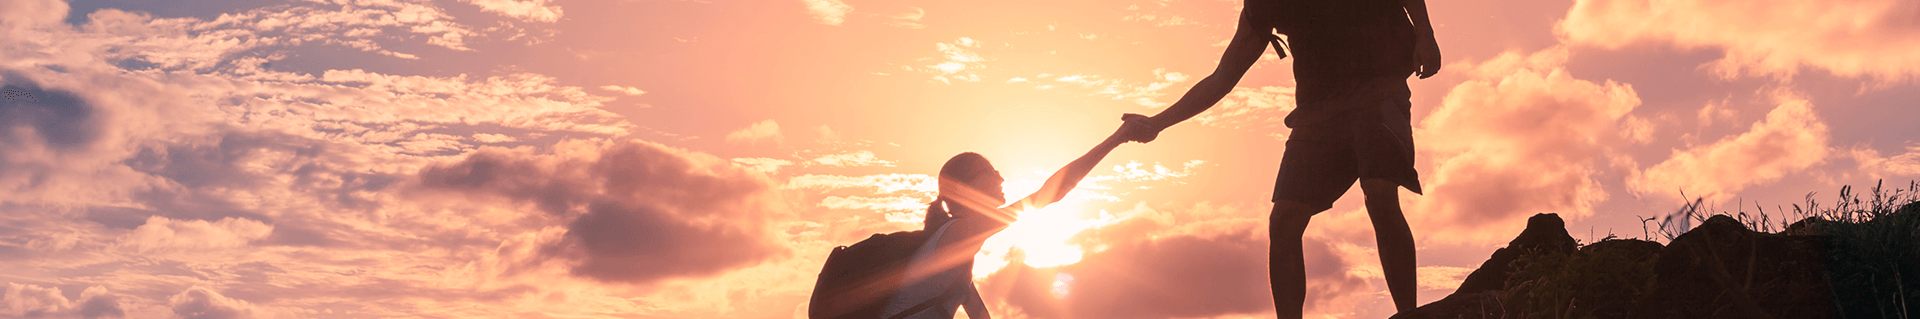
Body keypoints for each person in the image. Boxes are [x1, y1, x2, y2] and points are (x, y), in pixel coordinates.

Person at [1118, 0, 1443, 317]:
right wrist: (1158, 122)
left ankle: (1409, 315)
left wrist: (1425, 34)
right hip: (1316, 113)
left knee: (1381, 194)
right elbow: (1223, 77)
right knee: (1285, 220)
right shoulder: (1263, 6)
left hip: (1379, 90)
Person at [883, 120, 1143, 319]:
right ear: (966, 187)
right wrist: (1117, 138)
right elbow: (1051, 193)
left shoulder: (957, 258)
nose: (1001, 178)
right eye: (991, 172)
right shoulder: (960, 232)